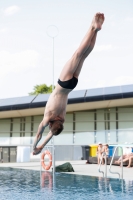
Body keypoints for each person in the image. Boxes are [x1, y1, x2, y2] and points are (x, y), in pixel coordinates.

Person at [33, 13, 105, 155]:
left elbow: (52, 133)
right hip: (63, 84)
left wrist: (40, 147)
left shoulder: (62, 119)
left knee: (84, 56)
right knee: (78, 53)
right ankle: (92, 27)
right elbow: (40, 135)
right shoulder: (48, 117)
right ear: (51, 124)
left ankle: (95, 30)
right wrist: (34, 147)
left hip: (72, 85)